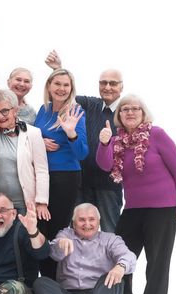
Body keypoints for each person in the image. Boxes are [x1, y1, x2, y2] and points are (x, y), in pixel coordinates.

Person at [96, 94, 176, 294]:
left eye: (135, 108)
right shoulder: (118, 140)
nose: (130, 112)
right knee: (121, 256)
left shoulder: (157, 135)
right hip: (133, 208)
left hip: (163, 208)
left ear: (143, 112)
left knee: (158, 261)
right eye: (125, 109)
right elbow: (105, 164)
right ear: (119, 115)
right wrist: (105, 142)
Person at [33, 203, 137, 294]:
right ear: (73, 223)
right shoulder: (65, 235)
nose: (87, 224)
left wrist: (120, 267)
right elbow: (54, 254)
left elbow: (129, 256)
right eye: (81, 220)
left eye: (91, 219)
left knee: (114, 279)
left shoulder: (110, 239)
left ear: (98, 222)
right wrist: (59, 244)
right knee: (41, 282)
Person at [45, 50, 123, 233]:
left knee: (109, 233)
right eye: (103, 83)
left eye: (113, 83)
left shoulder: (126, 112)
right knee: (77, 232)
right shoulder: (89, 104)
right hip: (81, 182)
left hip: (109, 187)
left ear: (121, 86)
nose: (108, 87)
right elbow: (64, 94)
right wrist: (58, 69)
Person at [34, 68, 88, 280]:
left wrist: (71, 132)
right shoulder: (43, 109)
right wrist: (39, 142)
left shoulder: (76, 112)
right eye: (57, 84)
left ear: (71, 89)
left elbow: (82, 153)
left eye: (66, 85)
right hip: (41, 177)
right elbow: (32, 137)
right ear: (49, 86)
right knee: (40, 230)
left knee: (57, 232)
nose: (62, 89)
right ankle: (44, 285)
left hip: (65, 177)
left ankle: (57, 286)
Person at [0, 75, 50, 219]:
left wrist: (42, 202)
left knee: (23, 240)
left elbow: (42, 170)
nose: (0, 116)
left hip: (24, 203)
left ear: (15, 111)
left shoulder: (33, 133)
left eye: (5, 111)